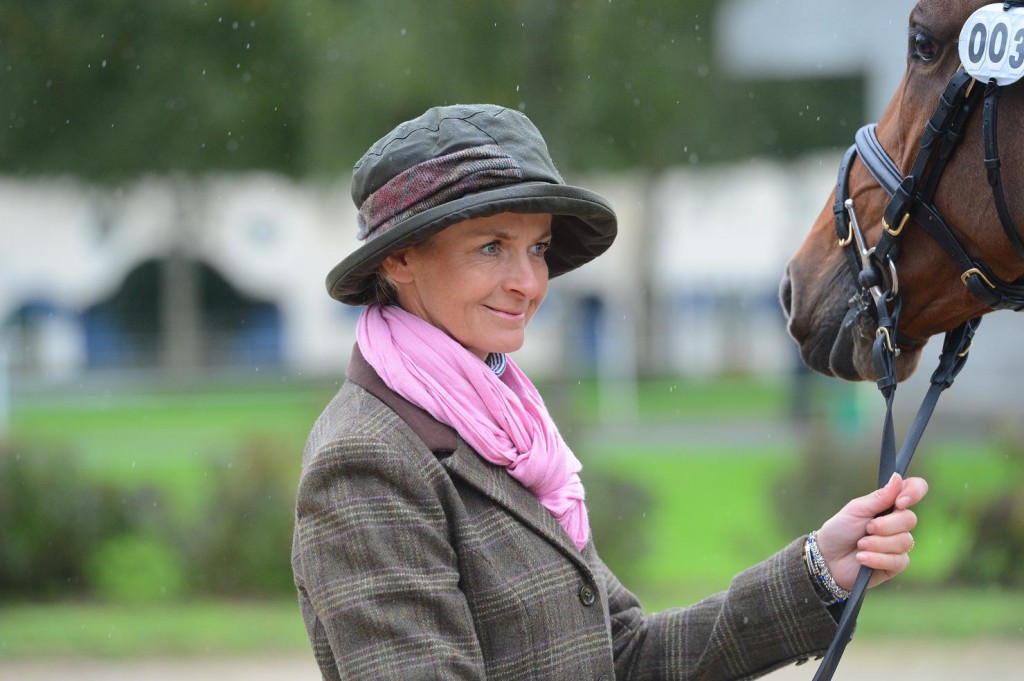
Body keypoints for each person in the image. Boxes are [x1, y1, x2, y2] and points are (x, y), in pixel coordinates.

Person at [291, 103, 927, 680]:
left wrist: (818, 571)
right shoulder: (367, 461)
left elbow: (621, 655)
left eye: (537, 248)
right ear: (399, 260)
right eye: (491, 248)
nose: (528, 282)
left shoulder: (505, 427)